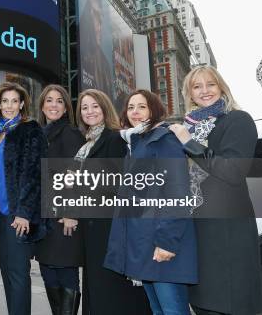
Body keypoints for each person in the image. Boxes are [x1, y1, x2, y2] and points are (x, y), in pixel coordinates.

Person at [168, 66, 262, 315]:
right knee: (203, 305)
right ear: (189, 93)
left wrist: (189, 145)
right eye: (197, 86)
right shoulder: (190, 126)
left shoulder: (237, 120)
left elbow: (233, 171)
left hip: (226, 235)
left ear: (221, 86)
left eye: (210, 84)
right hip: (196, 230)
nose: (204, 91)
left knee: (228, 304)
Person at [104, 89, 198, 315]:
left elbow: (177, 192)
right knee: (158, 311)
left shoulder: (163, 139)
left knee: (172, 311)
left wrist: (166, 241)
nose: (135, 112)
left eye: (142, 106)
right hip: (144, 243)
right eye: (130, 107)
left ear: (154, 110)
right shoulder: (137, 143)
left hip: (162, 242)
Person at [73, 89, 151, 315]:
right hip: (92, 228)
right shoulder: (86, 142)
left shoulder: (115, 138)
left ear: (105, 108)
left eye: (95, 106)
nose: (90, 111)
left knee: (112, 292)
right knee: (97, 288)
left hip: (110, 227)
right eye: (85, 107)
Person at [0, 82, 48, 315]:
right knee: (6, 272)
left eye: (14, 101)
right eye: (4, 101)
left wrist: (24, 212)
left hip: (18, 214)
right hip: (0, 214)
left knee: (18, 274)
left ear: (22, 104)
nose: (9, 106)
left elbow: (34, 174)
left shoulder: (29, 129)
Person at [34, 85, 85, 315]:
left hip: (64, 216)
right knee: (48, 271)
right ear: (42, 105)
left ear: (66, 108)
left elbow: (76, 174)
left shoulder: (70, 133)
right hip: (44, 216)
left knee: (65, 272)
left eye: (59, 101)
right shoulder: (41, 133)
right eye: (49, 101)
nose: (53, 105)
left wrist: (71, 212)